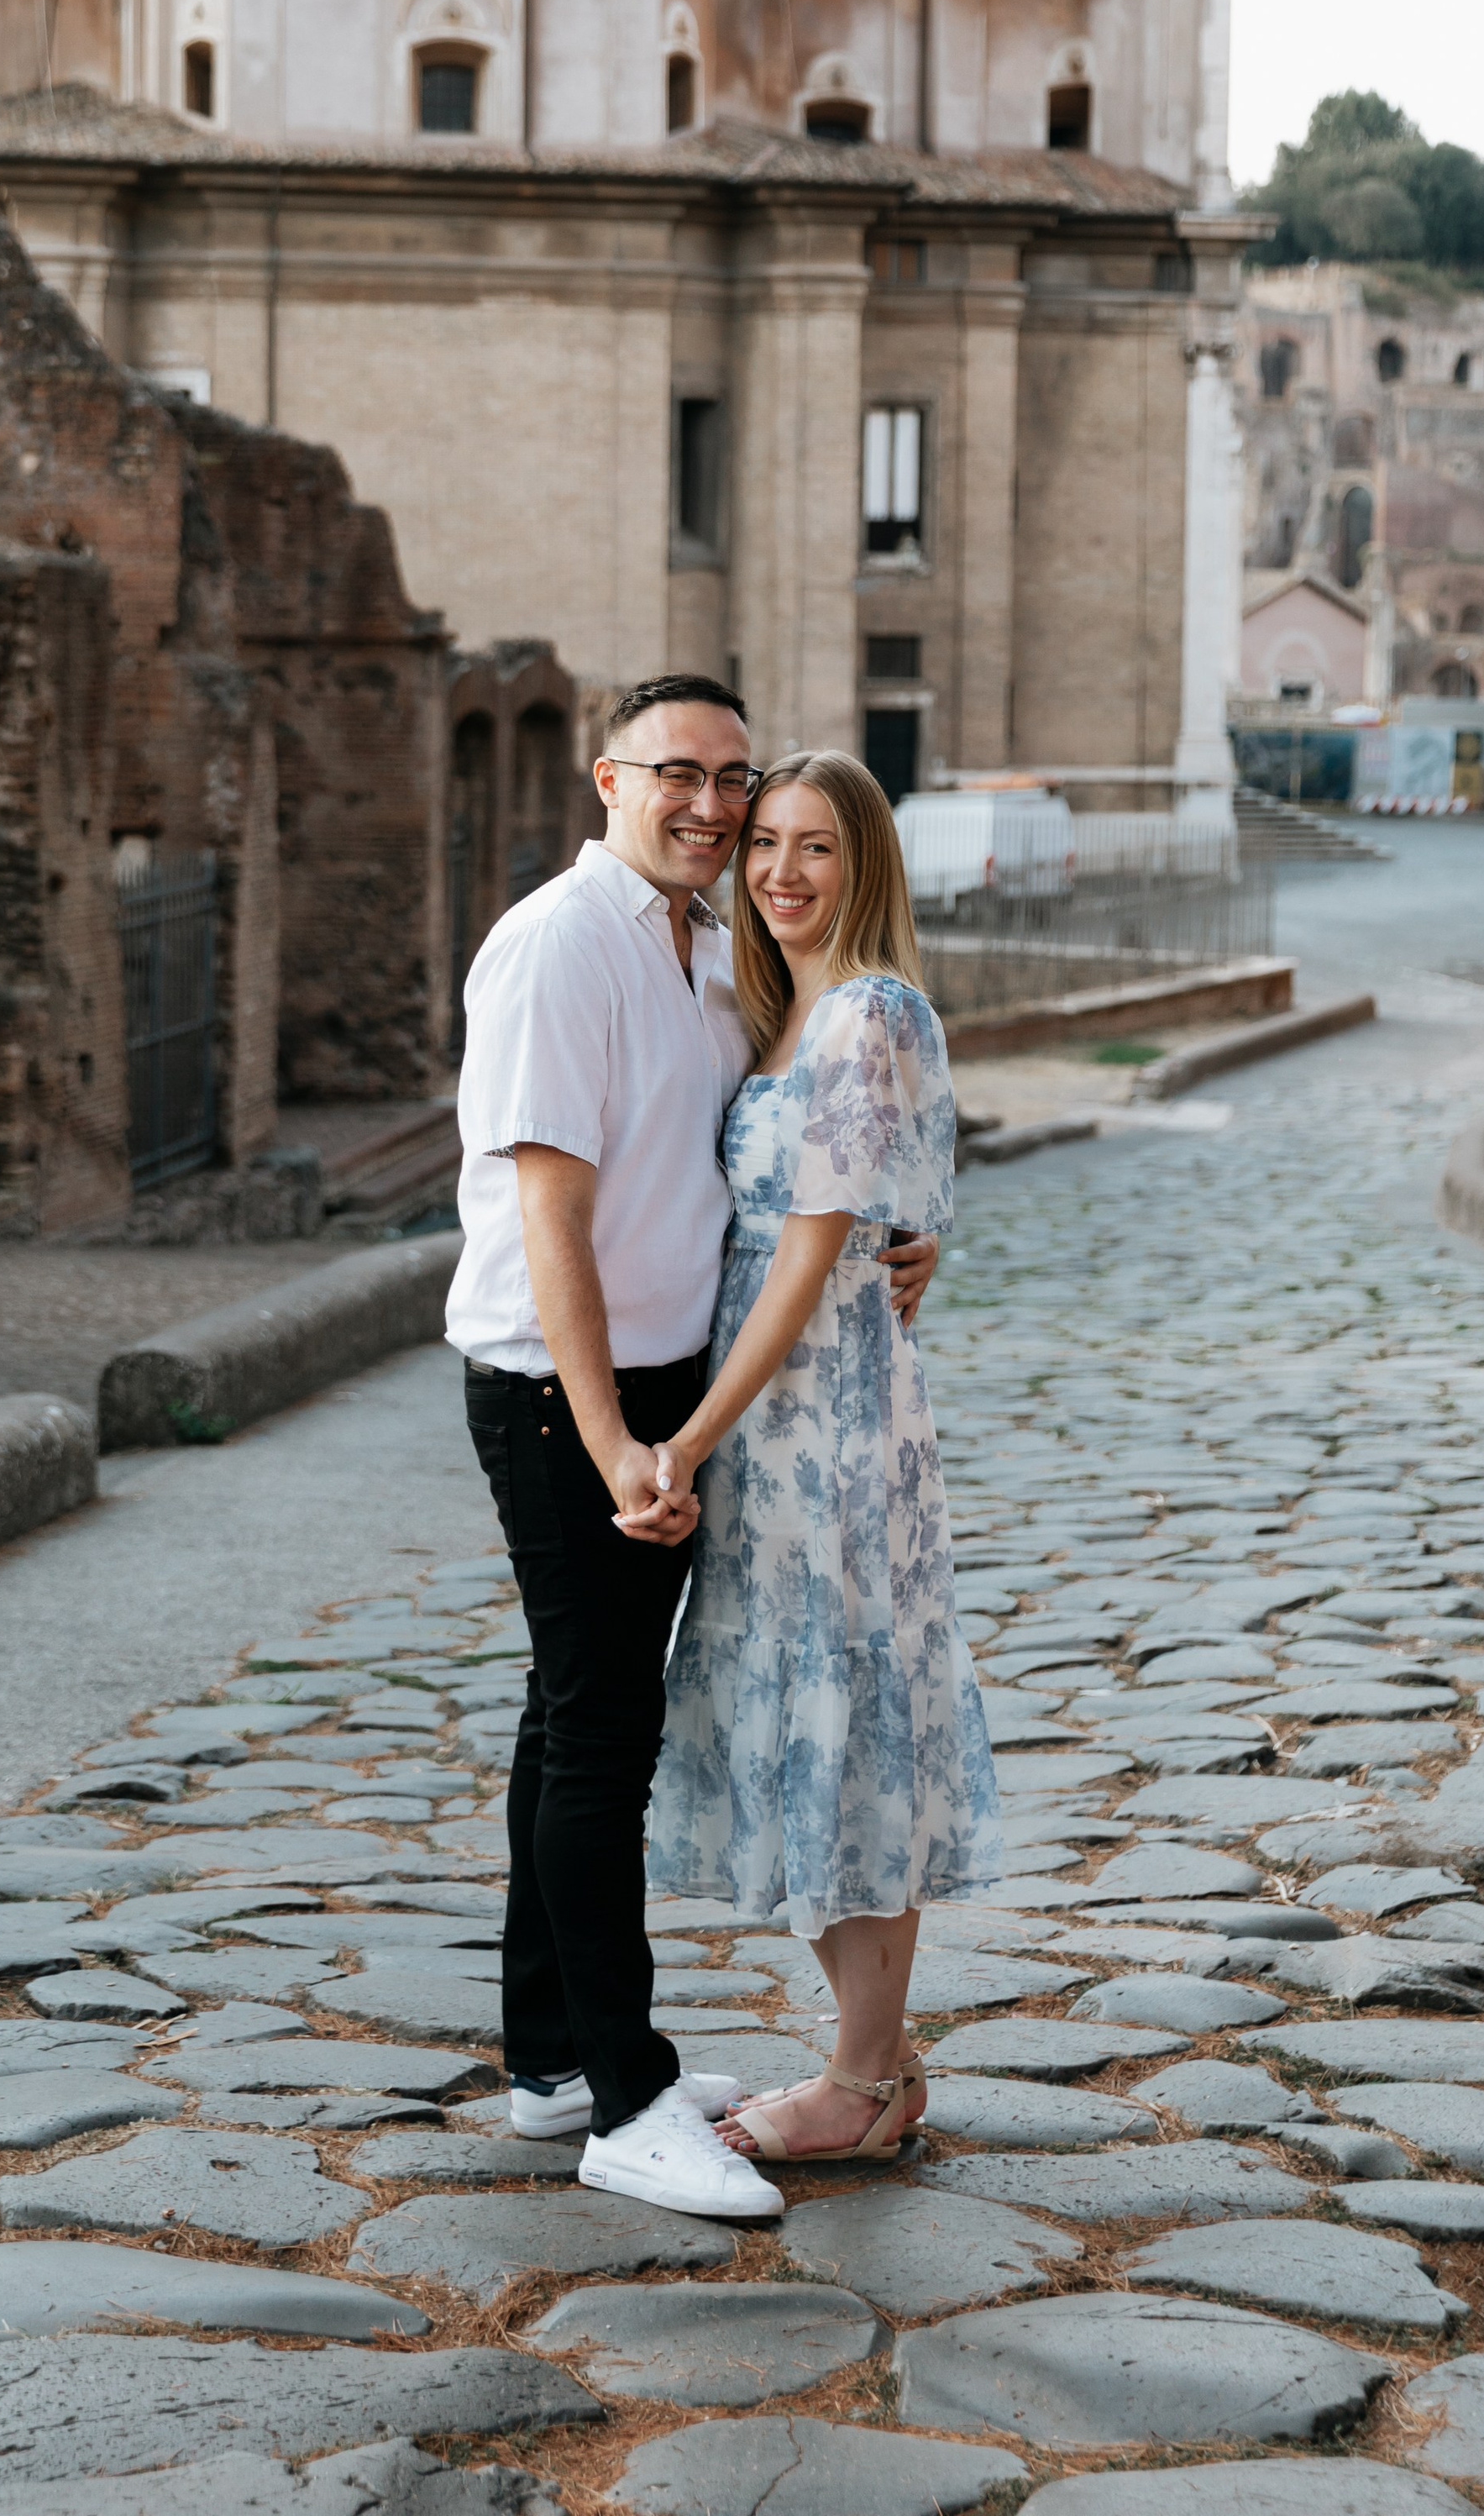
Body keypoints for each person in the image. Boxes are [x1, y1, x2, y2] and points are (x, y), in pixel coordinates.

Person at [446, 678, 937, 2224]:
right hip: (568, 1396)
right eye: (683, 774)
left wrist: (898, 1240)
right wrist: (618, 1445)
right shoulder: (560, 943)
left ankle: (550, 2063)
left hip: (673, 1388)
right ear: (610, 779)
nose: (716, 809)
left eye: (737, 780)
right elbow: (550, 1210)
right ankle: (627, 2098)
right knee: (603, 1736)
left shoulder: (714, 954)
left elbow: (802, 1168)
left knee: (568, 1718)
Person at [646, 748, 1001, 2165]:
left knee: (849, 1720)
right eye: (766, 845)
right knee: (803, 1716)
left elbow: (809, 1256)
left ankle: (860, 2082)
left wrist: (688, 1438)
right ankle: (879, 2068)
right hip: (771, 1420)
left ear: (866, 867)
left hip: (826, 1422)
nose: (782, 873)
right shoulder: (772, 1013)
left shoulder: (868, 1010)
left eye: (817, 848)